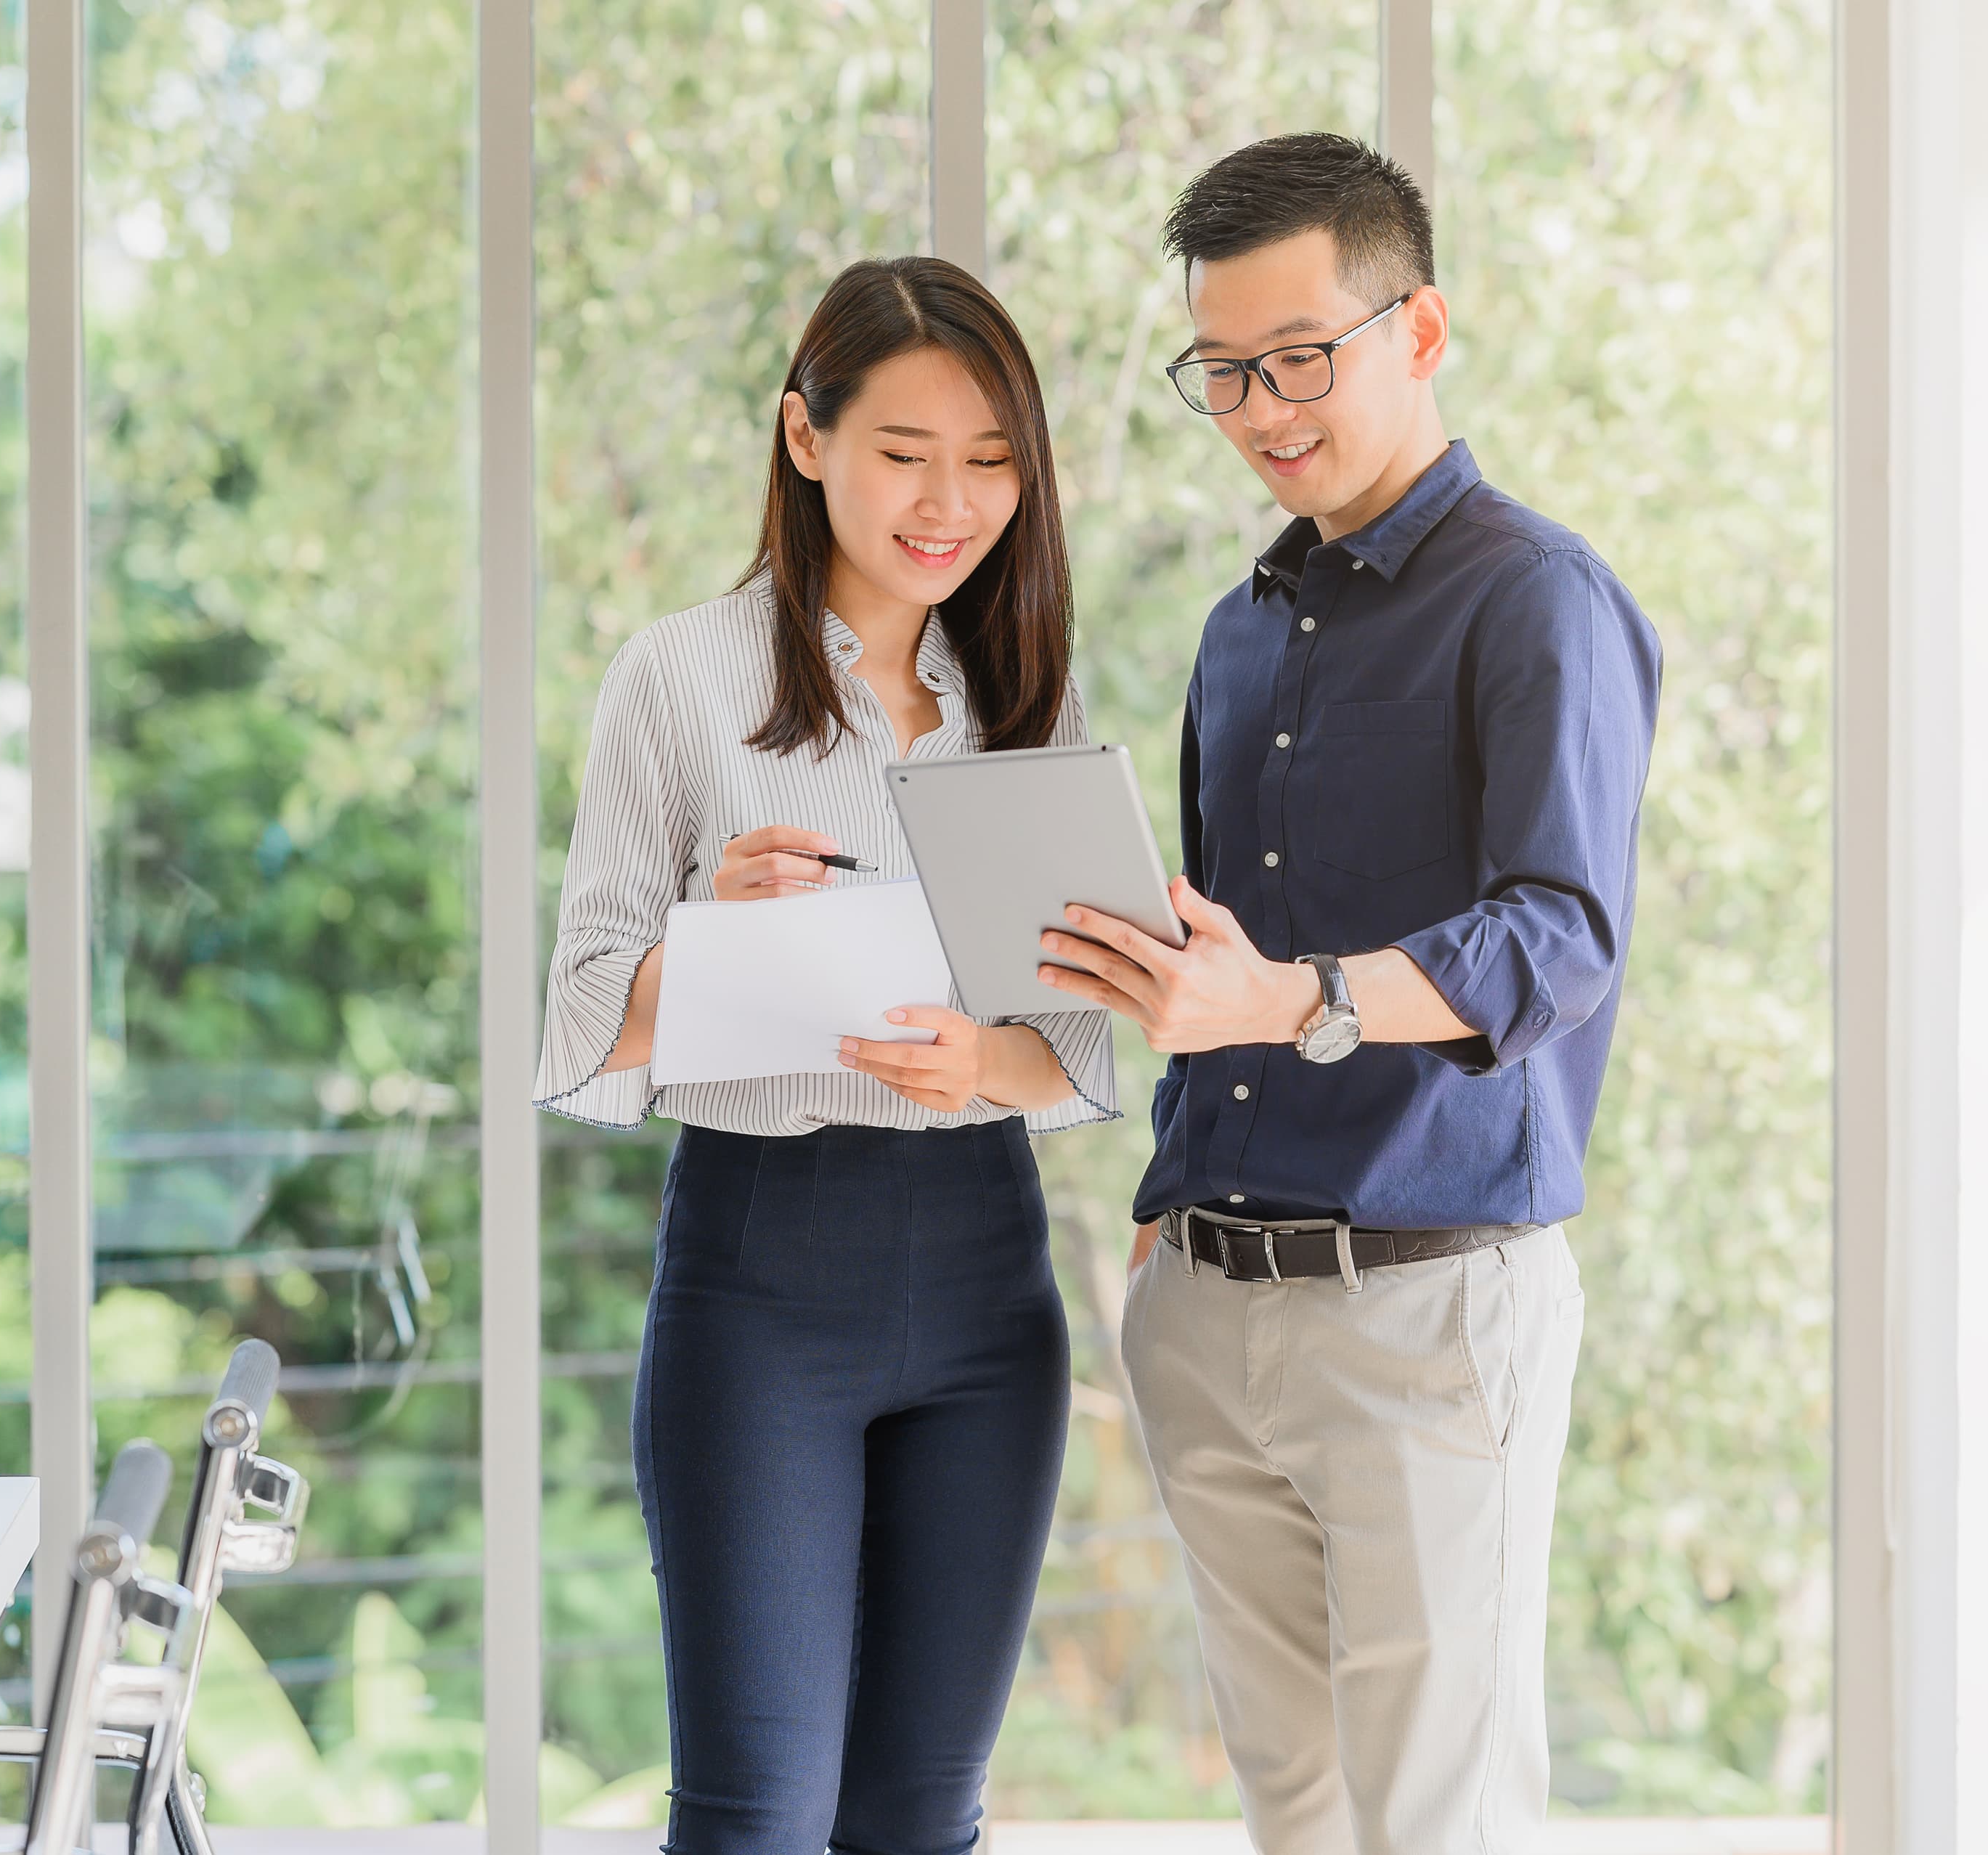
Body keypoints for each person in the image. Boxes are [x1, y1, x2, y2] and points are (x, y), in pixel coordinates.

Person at [1035, 134, 1661, 1854]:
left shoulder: (1537, 601)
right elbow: (1226, 946)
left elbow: (1557, 941)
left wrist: (1293, 1000)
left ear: (1421, 328)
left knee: (1428, 1820)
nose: (1259, 406)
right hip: (1213, 1300)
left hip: (1426, 1313)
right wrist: (1169, 1183)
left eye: (1299, 356)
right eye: (1221, 369)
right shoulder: (1248, 629)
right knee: (1296, 1811)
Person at [534, 256, 1117, 1855]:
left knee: (921, 1818)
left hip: (988, 1279)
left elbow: (1078, 1044)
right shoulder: (681, 678)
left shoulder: (1029, 699)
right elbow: (579, 1019)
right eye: (905, 453)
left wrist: (982, 1063)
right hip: (760, 1277)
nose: (951, 503)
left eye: (993, 462)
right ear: (807, 439)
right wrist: (707, 927)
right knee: (757, 1819)